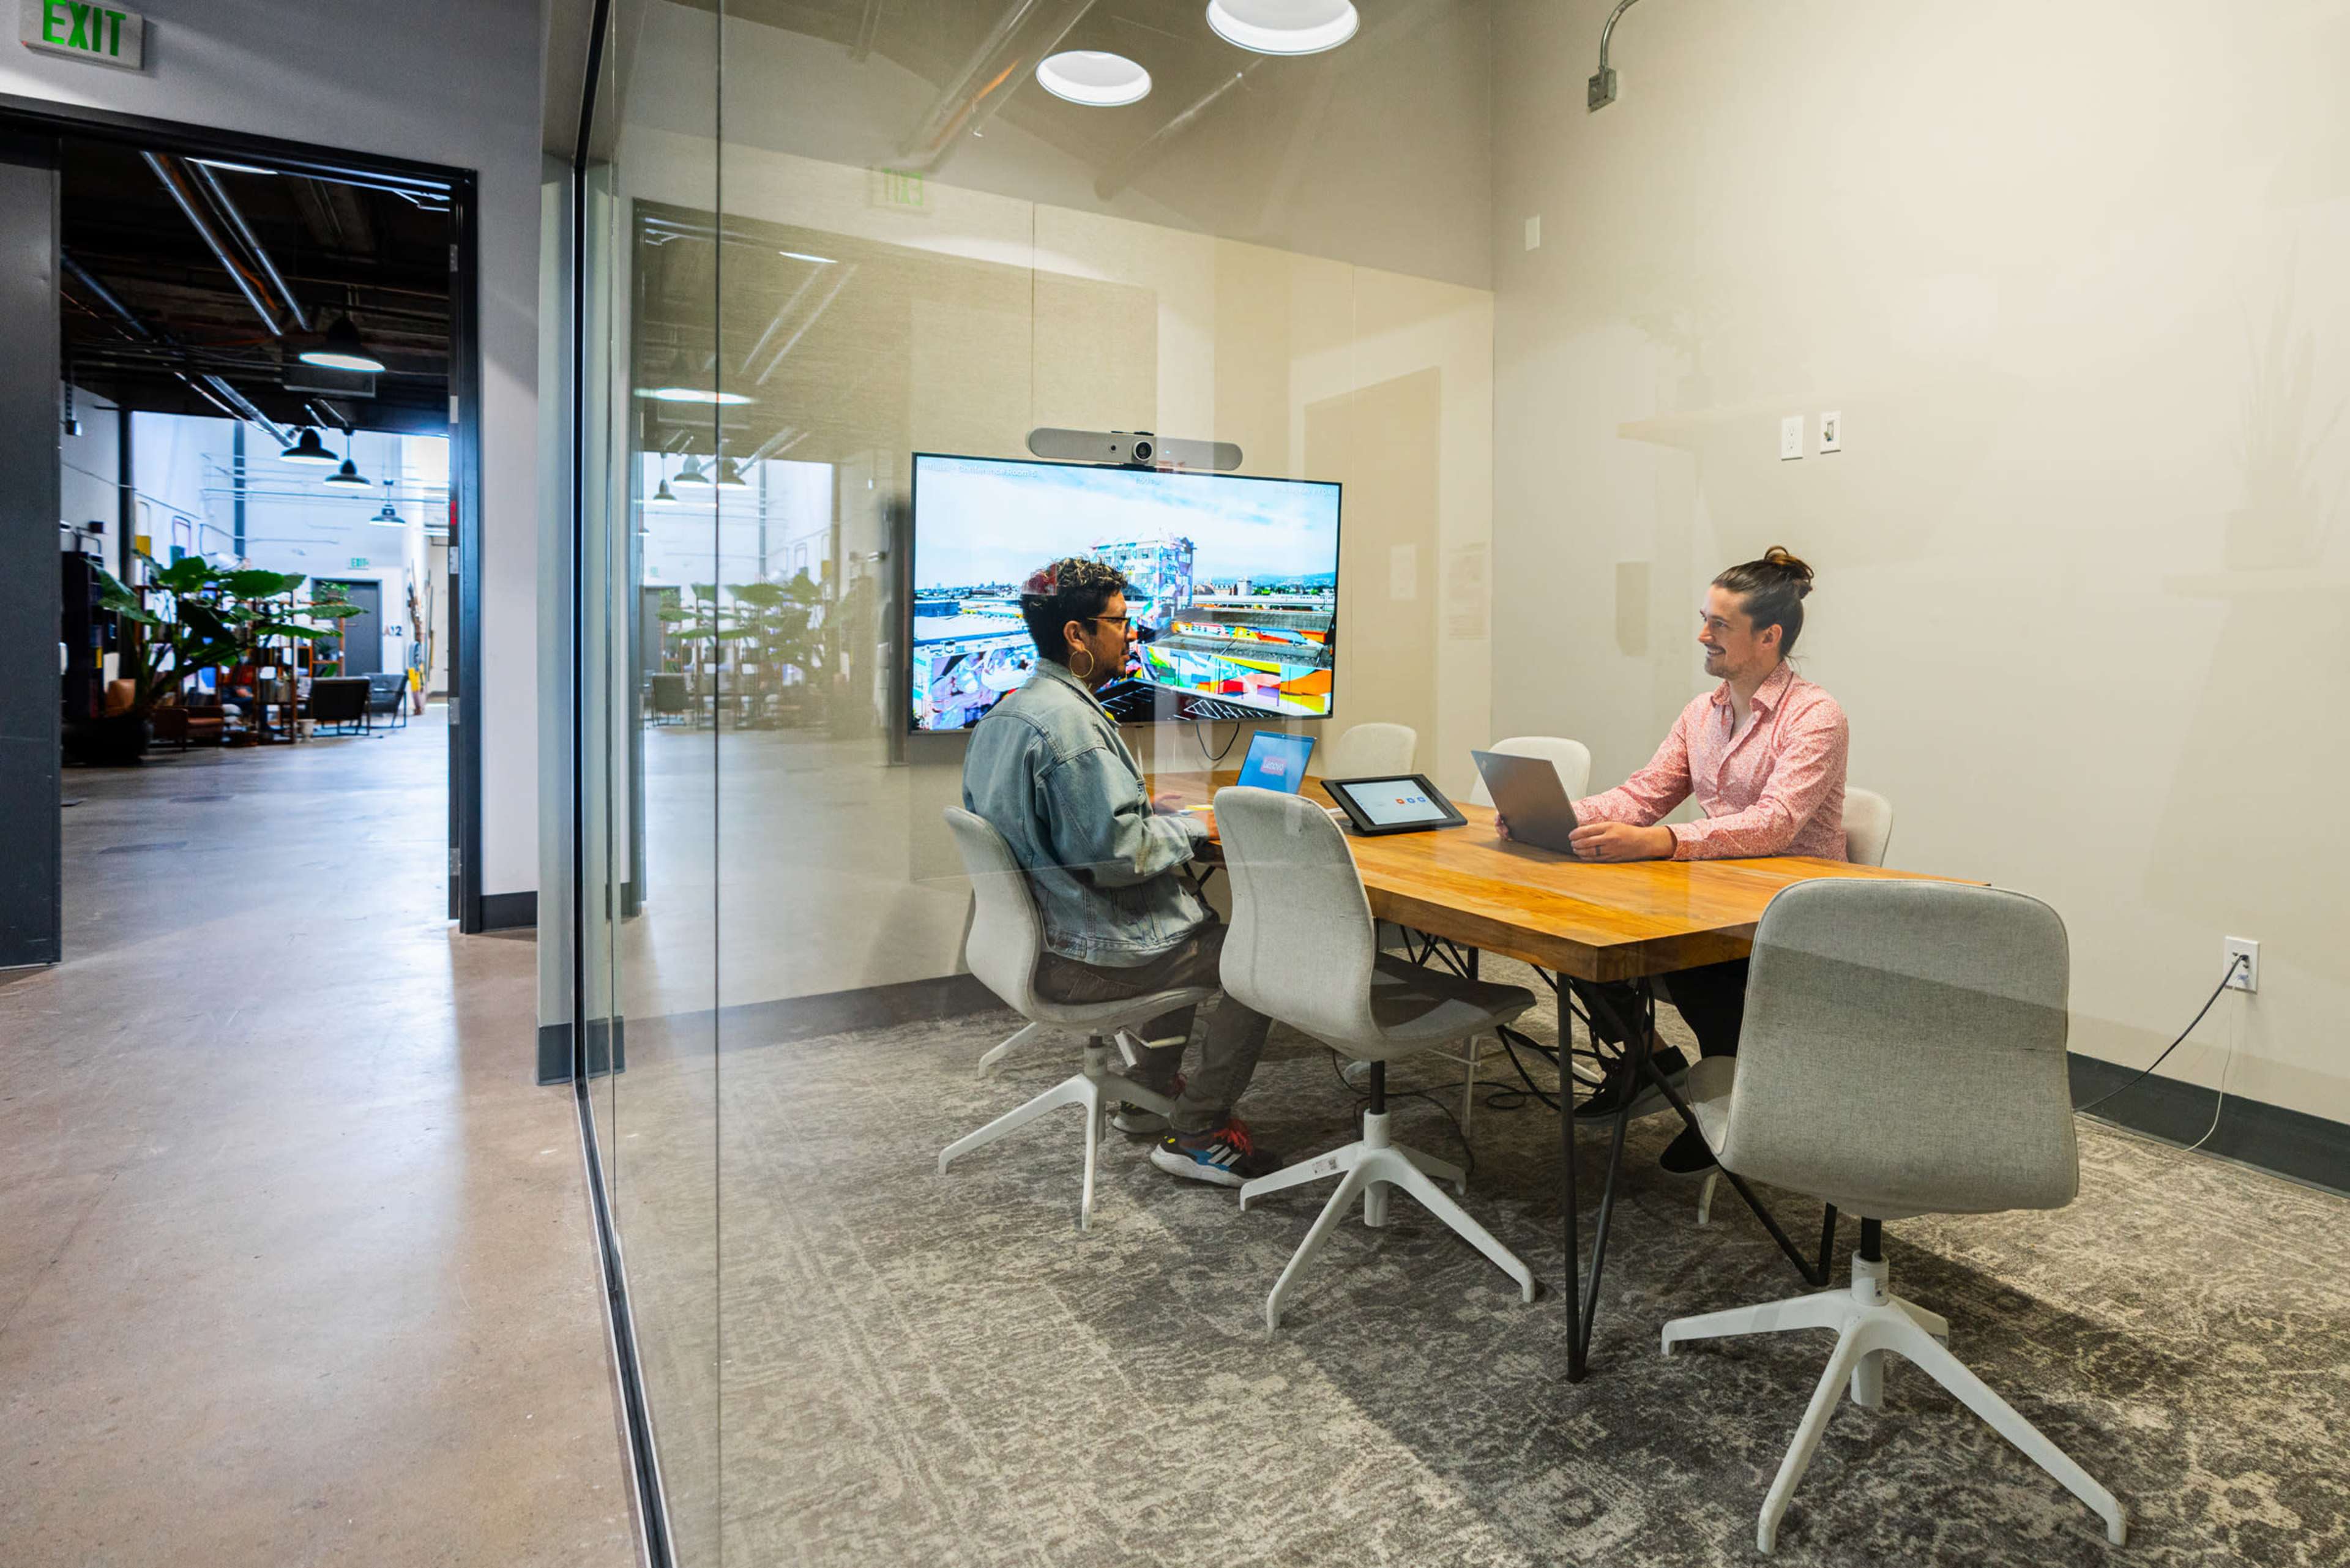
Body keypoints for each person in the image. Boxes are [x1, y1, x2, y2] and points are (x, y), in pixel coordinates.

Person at [1510, 547, 1848, 1171]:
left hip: (1789, 913)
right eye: (1705, 619)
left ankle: (1735, 1104)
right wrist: (1561, 816)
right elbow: (1644, 795)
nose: (1703, 635)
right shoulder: (1703, 712)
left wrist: (1663, 842)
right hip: (1717, 889)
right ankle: (1649, 1059)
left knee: (1692, 963)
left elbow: (1775, 824)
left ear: (1768, 637)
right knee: (1575, 929)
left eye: (1719, 625)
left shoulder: (1816, 717)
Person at [961, 556, 1281, 1186]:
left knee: (1191, 921)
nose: (1132, 635)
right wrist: (1193, 827)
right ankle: (1196, 1131)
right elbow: (1122, 859)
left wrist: (1140, 813)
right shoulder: (1074, 728)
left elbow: (1070, 828)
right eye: (1120, 623)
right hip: (1084, 956)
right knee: (1258, 955)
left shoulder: (1008, 714)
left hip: (1041, 937)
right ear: (1077, 635)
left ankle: (1147, 1090)